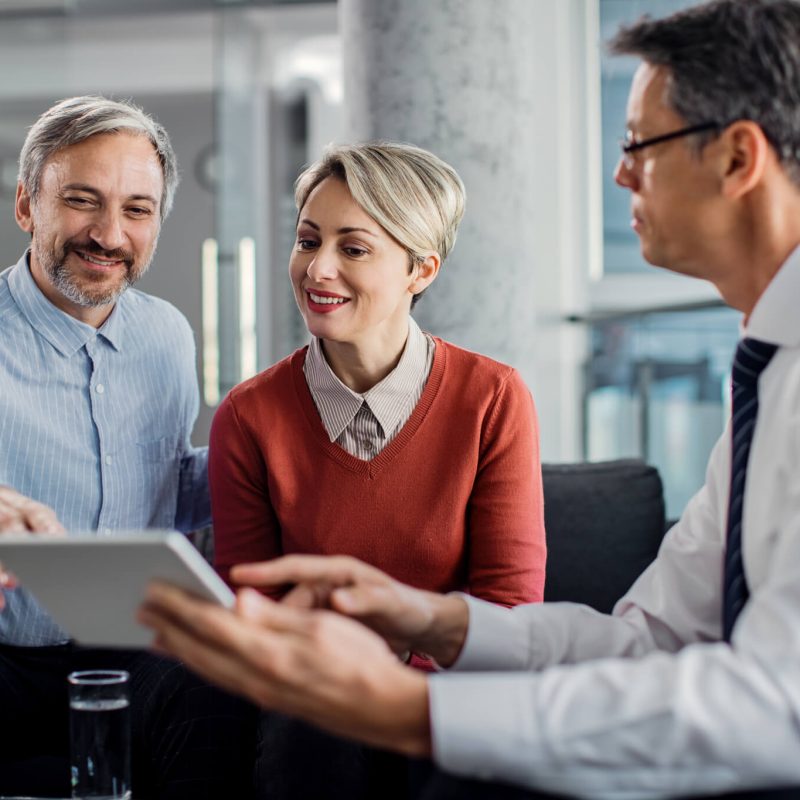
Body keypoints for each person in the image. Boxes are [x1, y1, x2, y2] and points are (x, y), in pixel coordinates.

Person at [139, 0, 800, 797]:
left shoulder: (496, 394)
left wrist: (411, 707)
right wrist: (428, 619)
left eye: (640, 147)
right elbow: (652, 640)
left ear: (737, 159)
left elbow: (776, 704)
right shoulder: (765, 383)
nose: (619, 172)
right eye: (310, 239)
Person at [208, 141, 546, 797]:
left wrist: (396, 670)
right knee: (311, 735)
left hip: (454, 696)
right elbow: (252, 610)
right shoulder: (249, 416)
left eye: (353, 249)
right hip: (313, 704)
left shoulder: (494, 397)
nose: (318, 268)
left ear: (421, 270)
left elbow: (509, 610)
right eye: (308, 241)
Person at [0, 96, 256, 799]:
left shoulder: (167, 335)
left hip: (139, 652)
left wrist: (282, 450)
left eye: (137, 210)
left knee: (225, 690)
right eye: (83, 201)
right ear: (27, 205)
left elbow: (162, 487)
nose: (109, 234)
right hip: (7, 654)